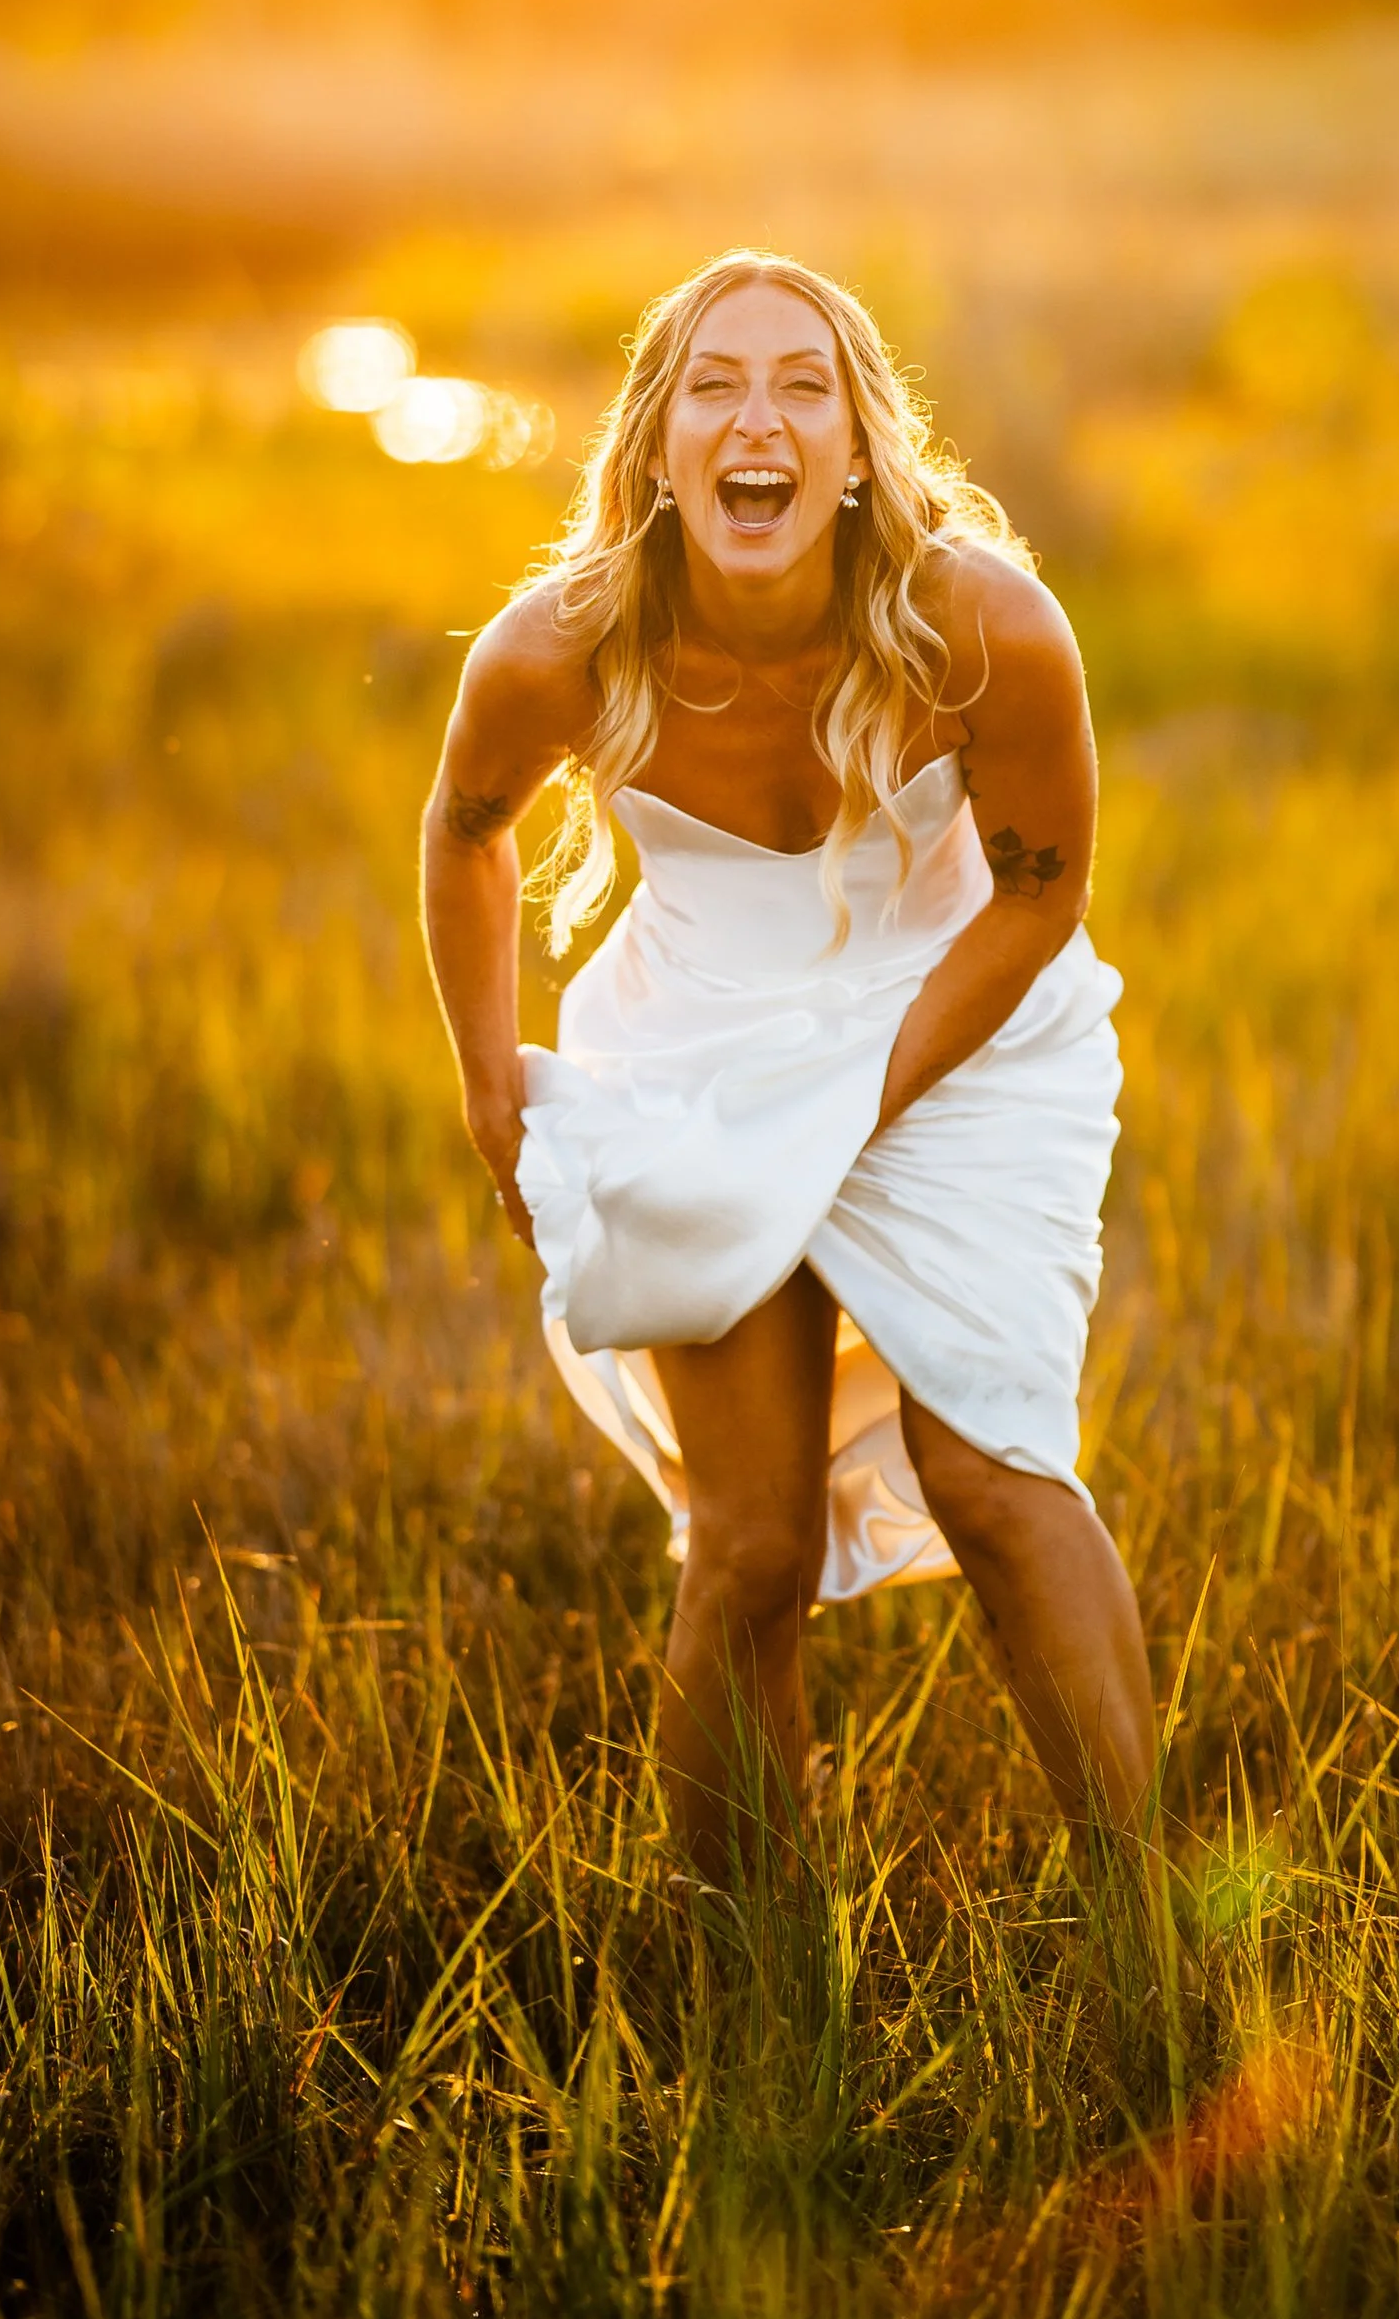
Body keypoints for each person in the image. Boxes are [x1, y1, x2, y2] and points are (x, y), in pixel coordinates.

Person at [419, 251, 1151, 1877]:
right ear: (659, 445)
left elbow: (1038, 896)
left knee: (994, 1468)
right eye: (718, 385)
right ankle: (755, 1995)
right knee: (747, 1542)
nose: (761, 417)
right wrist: (487, 1085)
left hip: (960, 1027)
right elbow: (466, 829)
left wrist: (864, 1097)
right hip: (698, 1045)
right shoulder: (558, 645)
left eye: (804, 384)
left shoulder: (985, 625)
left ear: (860, 445)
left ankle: (1146, 1936)